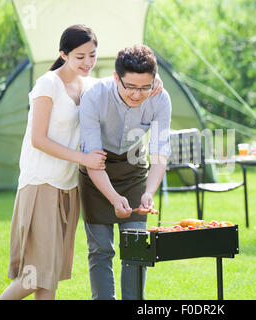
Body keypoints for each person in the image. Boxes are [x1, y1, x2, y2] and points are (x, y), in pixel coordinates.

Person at [0, 25, 164, 300]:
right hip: (41, 182)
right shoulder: (48, 84)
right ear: (63, 54)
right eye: (80, 56)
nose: (87, 62)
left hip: (68, 186)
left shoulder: (88, 85)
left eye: (92, 55)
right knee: (36, 274)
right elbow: (38, 139)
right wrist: (83, 158)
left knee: (49, 274)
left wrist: (154, 84)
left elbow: (122, 85)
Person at [78, 44, 171, 300]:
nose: (137, 95)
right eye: (130, 87)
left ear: (154, 81)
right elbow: (93, 158)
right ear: (117, 77)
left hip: (133, 169)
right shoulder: (95, 96)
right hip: (96, 171)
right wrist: (112, 198)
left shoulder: (160, 98)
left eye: (145, 87)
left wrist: (149, 192)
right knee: (100, 250)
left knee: (135, 248)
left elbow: (159, 152)